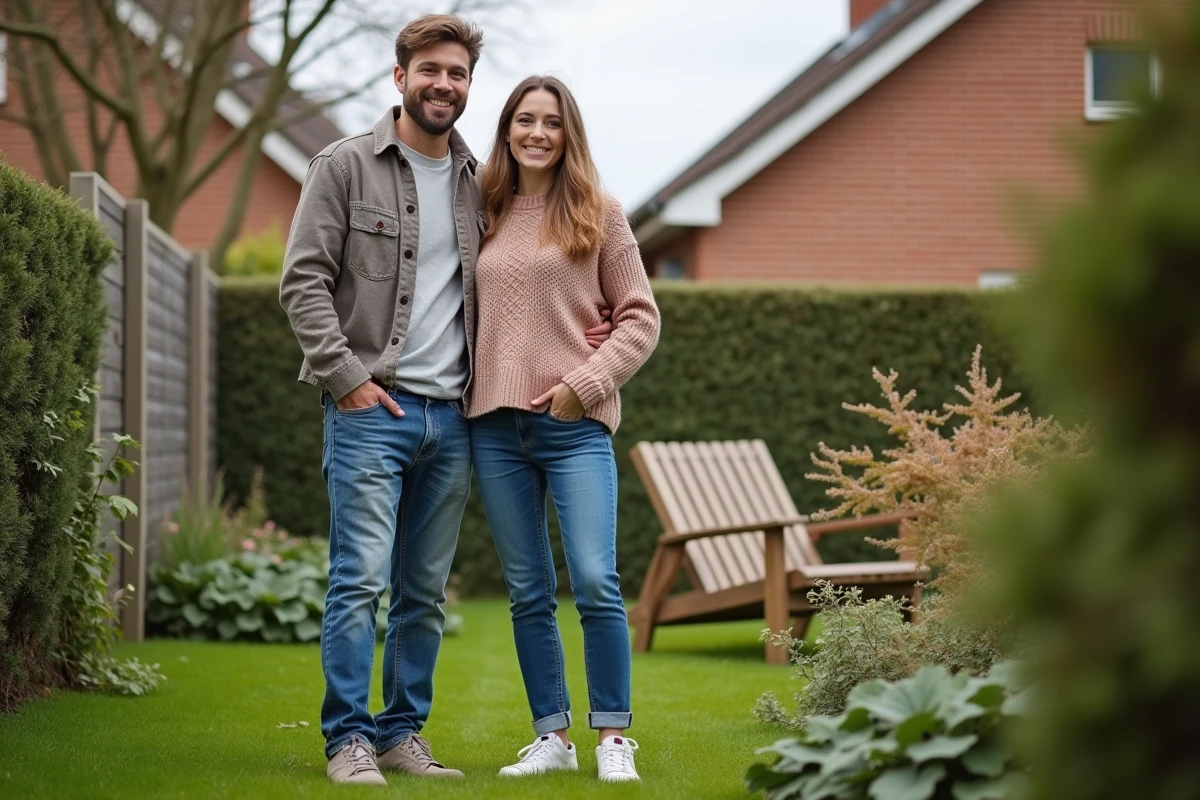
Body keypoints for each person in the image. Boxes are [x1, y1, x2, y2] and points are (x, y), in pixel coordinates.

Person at [279, 17, 613, 786]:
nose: (444, 84)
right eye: (430, 70)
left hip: (456, 419)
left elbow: (532, 275)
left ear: (468, 86)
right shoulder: (343, 166)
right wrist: (346, 379)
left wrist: (585, 339)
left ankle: (401, 733)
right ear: (400, 77)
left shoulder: (481, 184)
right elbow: (302, 283)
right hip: (372, 411)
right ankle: (347, 741)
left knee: (423, 594)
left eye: (458, 73)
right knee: (360, 581)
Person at [467, 75, 661, 783]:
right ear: (507, 129)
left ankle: (613, 736)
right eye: (525, 120)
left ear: (568, 132)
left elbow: (640, 316)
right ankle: (552, 736)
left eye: (551, 121)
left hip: (574, 426)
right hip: (493, 428)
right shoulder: (481, 210)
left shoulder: (598, 212)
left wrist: (584, 386)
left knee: (595, 578)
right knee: (527, 589)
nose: (537, 133)